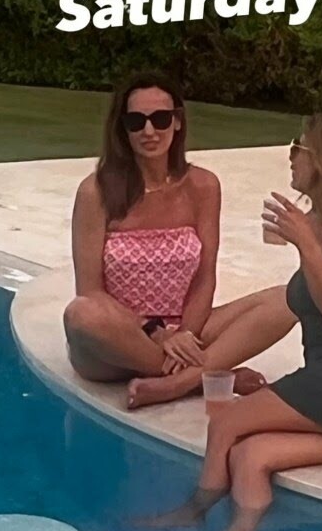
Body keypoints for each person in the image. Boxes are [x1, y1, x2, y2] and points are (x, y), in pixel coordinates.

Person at [140, 113, 322, 531]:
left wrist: (307, 245)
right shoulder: (318, 223)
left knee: (227, 423)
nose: (291, 155)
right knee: (251, 454)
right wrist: (307, 238)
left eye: (300, 147)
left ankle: (190, 512)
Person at [64, 73, 296, 389]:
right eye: (136, 121)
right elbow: (90, 290)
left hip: (188, 330)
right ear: (122, 128)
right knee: (81, 314)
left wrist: (186, 333)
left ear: (177, 121)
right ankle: (200, 379)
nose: (149, 131)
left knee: (289, 299)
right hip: (121, 338)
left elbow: (204, 276)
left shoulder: (203, 186)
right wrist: (157, 334)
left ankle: (174, 379)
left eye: (160, 119)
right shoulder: (96, 192)